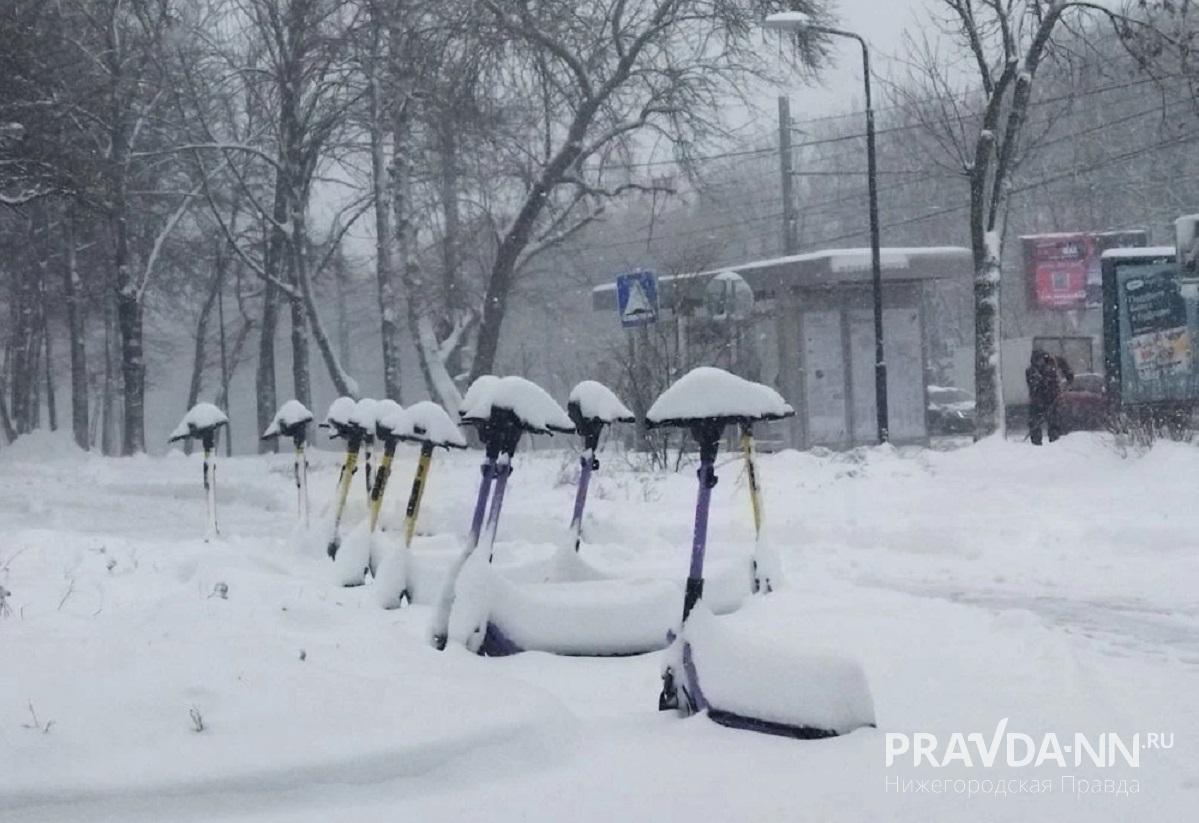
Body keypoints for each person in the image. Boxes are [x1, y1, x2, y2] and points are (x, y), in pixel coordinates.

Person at [1026, 349, 1074, 445]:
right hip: (1044, 398)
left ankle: (1049, 441)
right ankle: (1042, 441)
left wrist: (1068, 376)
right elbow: (1033, 385)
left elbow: (1063, 365)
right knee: (1045, 421)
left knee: (1050, 421)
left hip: (1048, 398)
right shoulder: (1032, 370)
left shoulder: (1051, 363)